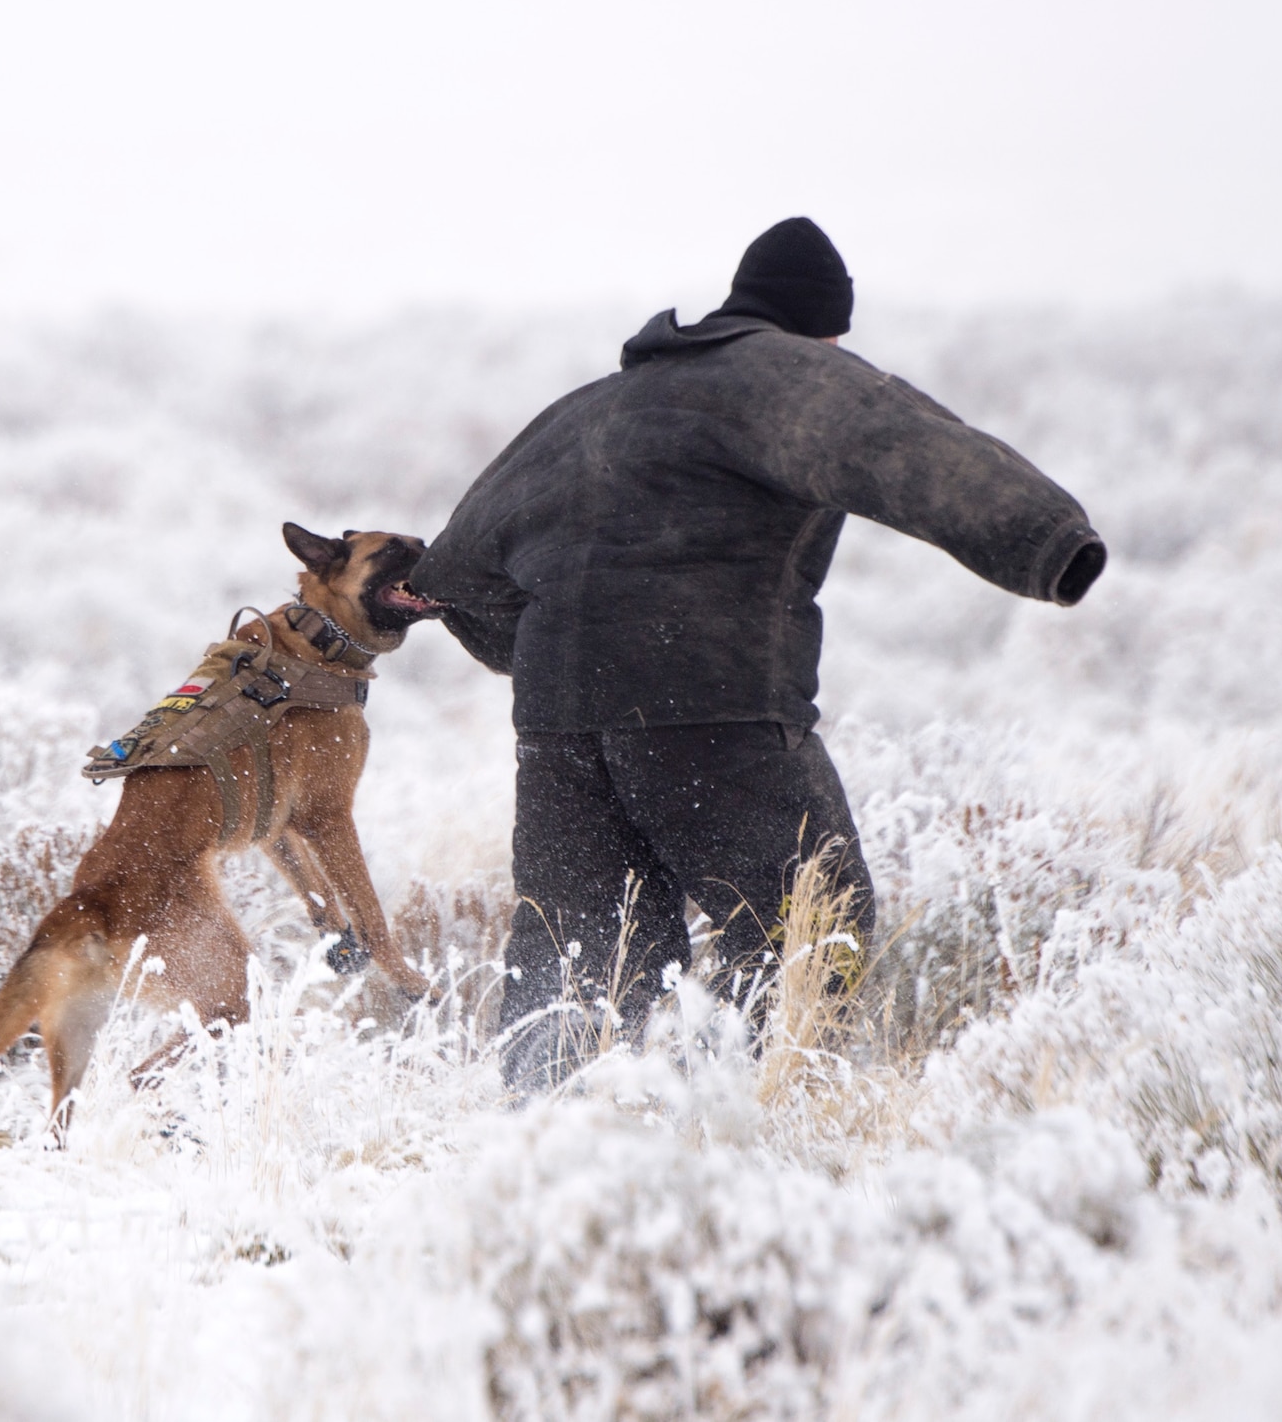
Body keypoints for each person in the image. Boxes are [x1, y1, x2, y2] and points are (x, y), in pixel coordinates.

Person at [411, 217, 1106, 1090]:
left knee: (586, 957)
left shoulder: (591, 409)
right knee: (815, 923)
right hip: (709, 707)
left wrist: (534, 651)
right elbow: (907, 446)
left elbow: (458, 572)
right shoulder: (783, 377)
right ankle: (744, 1124)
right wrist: (1048, 543)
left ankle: (541, 1151)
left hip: (558, 725)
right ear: (821, 326)